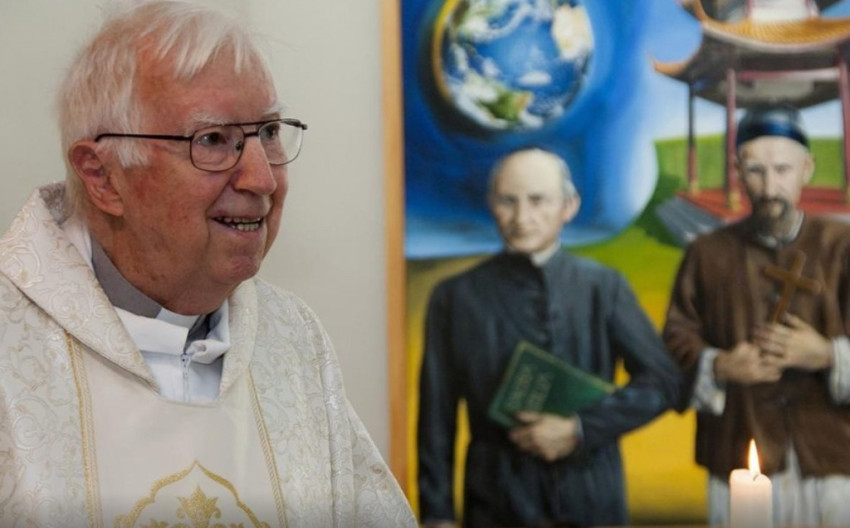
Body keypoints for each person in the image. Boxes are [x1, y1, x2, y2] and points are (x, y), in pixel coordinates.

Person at [0, 2, 415, 527]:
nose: (263, 179)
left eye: (269, 132)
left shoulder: (292, 340)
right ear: (102, 176)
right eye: (213, 140)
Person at [417, 148, 681, 528]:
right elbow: (436, 418)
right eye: (508, 201)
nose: (522, 217)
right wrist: (437, 515)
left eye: (538, 200)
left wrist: (579, 429)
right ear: (491, 205)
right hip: (496, 503)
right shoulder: (455, 297)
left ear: (568, 206)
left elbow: (664, 382)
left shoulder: (603, 287)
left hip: (592, 498)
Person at [663, 104, 850, 526]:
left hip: (832, 460)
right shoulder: (706, 253)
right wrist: (720, 365)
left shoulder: (842, 246)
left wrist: (827, 355)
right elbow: (674, 342)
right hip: (737, 446)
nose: (769, 187)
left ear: (806, 169)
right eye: (755, 171)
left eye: (782, 170)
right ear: (736, 171)